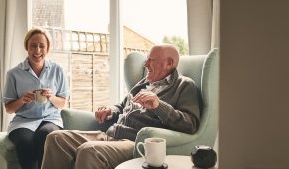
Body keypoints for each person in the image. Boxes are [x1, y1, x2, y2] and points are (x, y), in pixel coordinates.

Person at [41, 45, 201, 169]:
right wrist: (111, 110)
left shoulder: (184, 85)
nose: (145, 64)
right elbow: (123, 104)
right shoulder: (145, 82)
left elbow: (190, 124)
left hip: (134, 142)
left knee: (89, 151)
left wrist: (158, 105)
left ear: (169, 63)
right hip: (110, 135)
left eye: (151, 60)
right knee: (56, 138)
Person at [3, 27, 69, 169]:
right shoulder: (13, 74)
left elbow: (62, 103)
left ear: (48, 48)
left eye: (41, 46)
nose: (37, 50)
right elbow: (8, 108)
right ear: (26, 47)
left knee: (45, 136)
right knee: (25, 142)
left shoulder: (58, 70)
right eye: (33, 46)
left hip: (50, 119)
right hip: (23, 121)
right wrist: (22, 100)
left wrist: (51, 97)